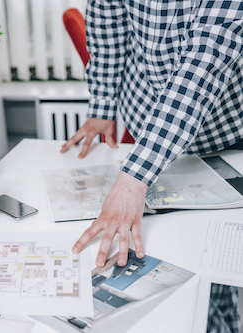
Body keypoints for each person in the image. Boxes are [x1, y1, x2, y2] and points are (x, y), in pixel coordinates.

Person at [61, 0, 243, 269]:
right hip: (146, 107)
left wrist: (134, 178)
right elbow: (107, 27)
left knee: (212, 257)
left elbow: (200, 69)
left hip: (222, 125)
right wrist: (102, 105)